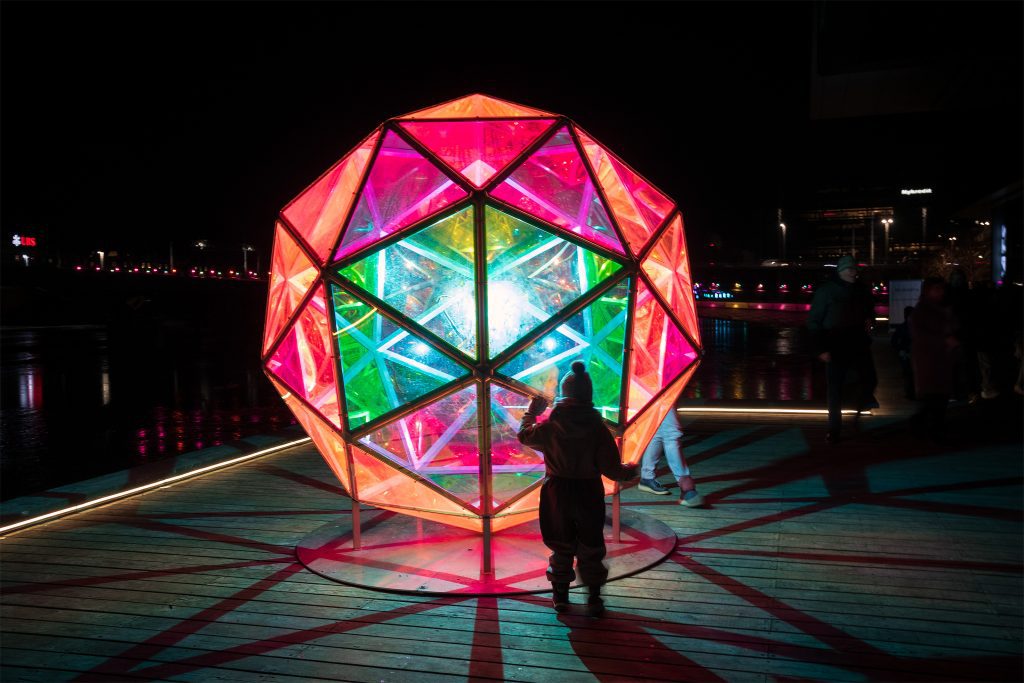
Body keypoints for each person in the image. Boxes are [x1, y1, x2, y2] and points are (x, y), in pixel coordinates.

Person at [518, 361, 638, 617]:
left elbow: (525, 435)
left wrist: (531, 412)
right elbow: (613, 470)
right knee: (591, 544)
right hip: (588, 492)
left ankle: (560, 596)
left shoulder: (551, 427)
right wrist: (632, 468)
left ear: (564, 395)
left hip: (556, 492)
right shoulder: (598, 430)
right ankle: (594, 598)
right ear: (588, 396)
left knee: (560, 544)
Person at [806, 255, 878, 443]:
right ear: (841, 271)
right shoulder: (826, 291)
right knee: (835, 388)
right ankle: (834, 429)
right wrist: (820, 349)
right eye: (850, 269)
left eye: (855, 269)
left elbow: (870, 312)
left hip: (858, 342)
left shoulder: (861, 290)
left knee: (869, 379)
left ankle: (857, 413)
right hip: (835, 343)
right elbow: (814, 321)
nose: (854, 272)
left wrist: (870, 323)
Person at [910, 277, 959, 436]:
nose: (940, 292)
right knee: (932, 396)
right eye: (936, 289)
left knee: (938, 396)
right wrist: (944, 340)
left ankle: (932, 427)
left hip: (940, 358)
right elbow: (920, 335)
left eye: (941, 289)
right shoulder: (923, 310)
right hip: (929, 359)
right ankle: (931, 427)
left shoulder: (941, 308)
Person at [637, 410, 705, 507]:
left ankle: (647, 477)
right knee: (671, 432)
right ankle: (687, 488)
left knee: (658, 429)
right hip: (662, 395)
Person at [890, 306, 915, 400]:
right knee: (908, 374)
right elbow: (894, 341)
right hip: (907, 354)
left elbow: (894, 341)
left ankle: (911, 392)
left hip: (910, 353)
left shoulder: (904, 327)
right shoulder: (905, 328)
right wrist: (901, 350)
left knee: (909, 374)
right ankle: (911, 393)